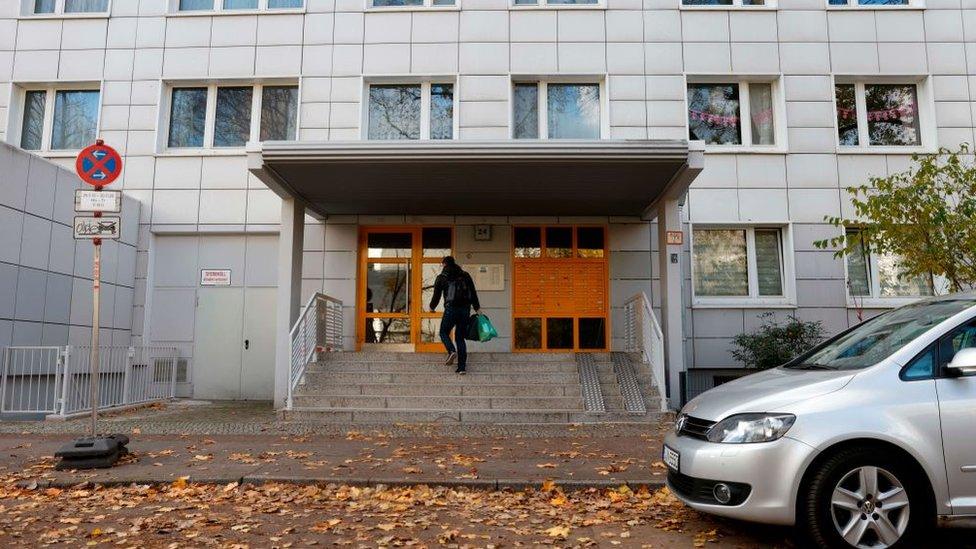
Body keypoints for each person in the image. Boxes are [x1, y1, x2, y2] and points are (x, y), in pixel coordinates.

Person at [429, 256, 480, 374]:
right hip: (465, 310)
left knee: (443, 332)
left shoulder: (442, 277)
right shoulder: (465, 275)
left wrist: (432, 307)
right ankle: (462, 368)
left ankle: (451, 351)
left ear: (444, 264)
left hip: (451, 309)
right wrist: (477, 308)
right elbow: (473, 292)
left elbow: (436, 296)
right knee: (460, 338)